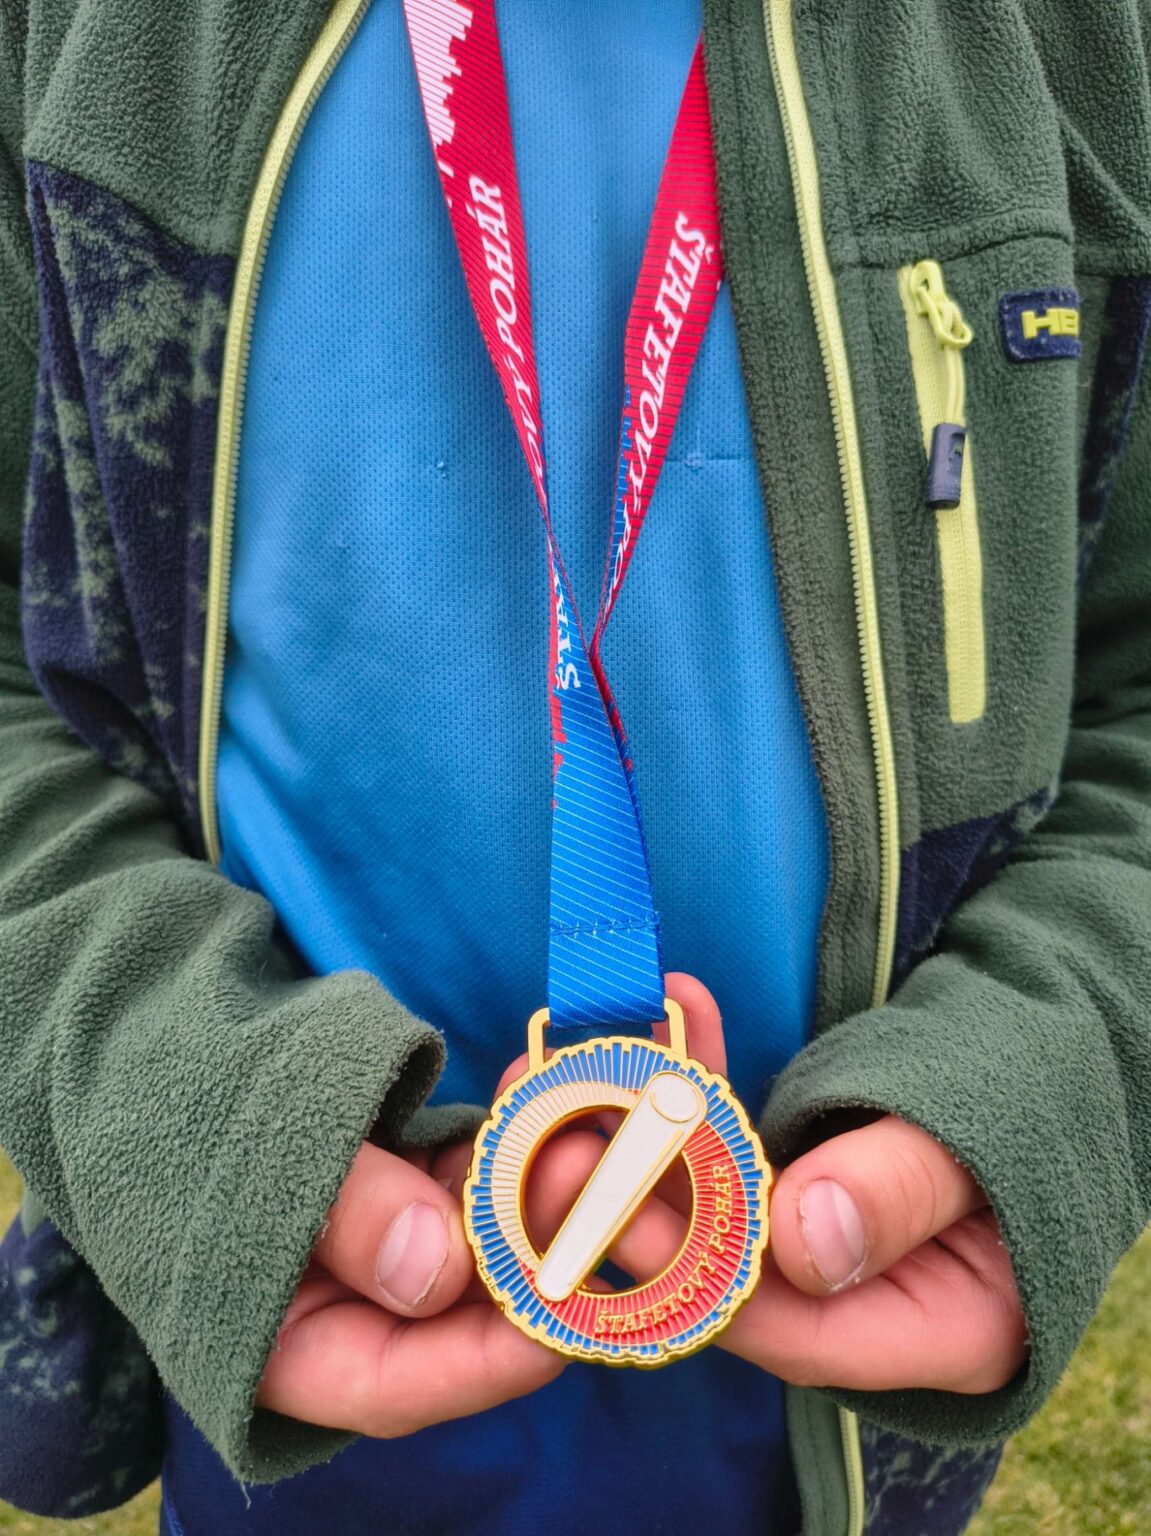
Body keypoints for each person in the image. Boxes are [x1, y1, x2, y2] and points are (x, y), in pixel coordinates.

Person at [0, 1, 1149, 1533]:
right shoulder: (79, 38)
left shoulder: (1077, 44)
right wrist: (181, 1109)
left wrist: (1050, 1083)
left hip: (842, 1427)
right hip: (286, 1424)